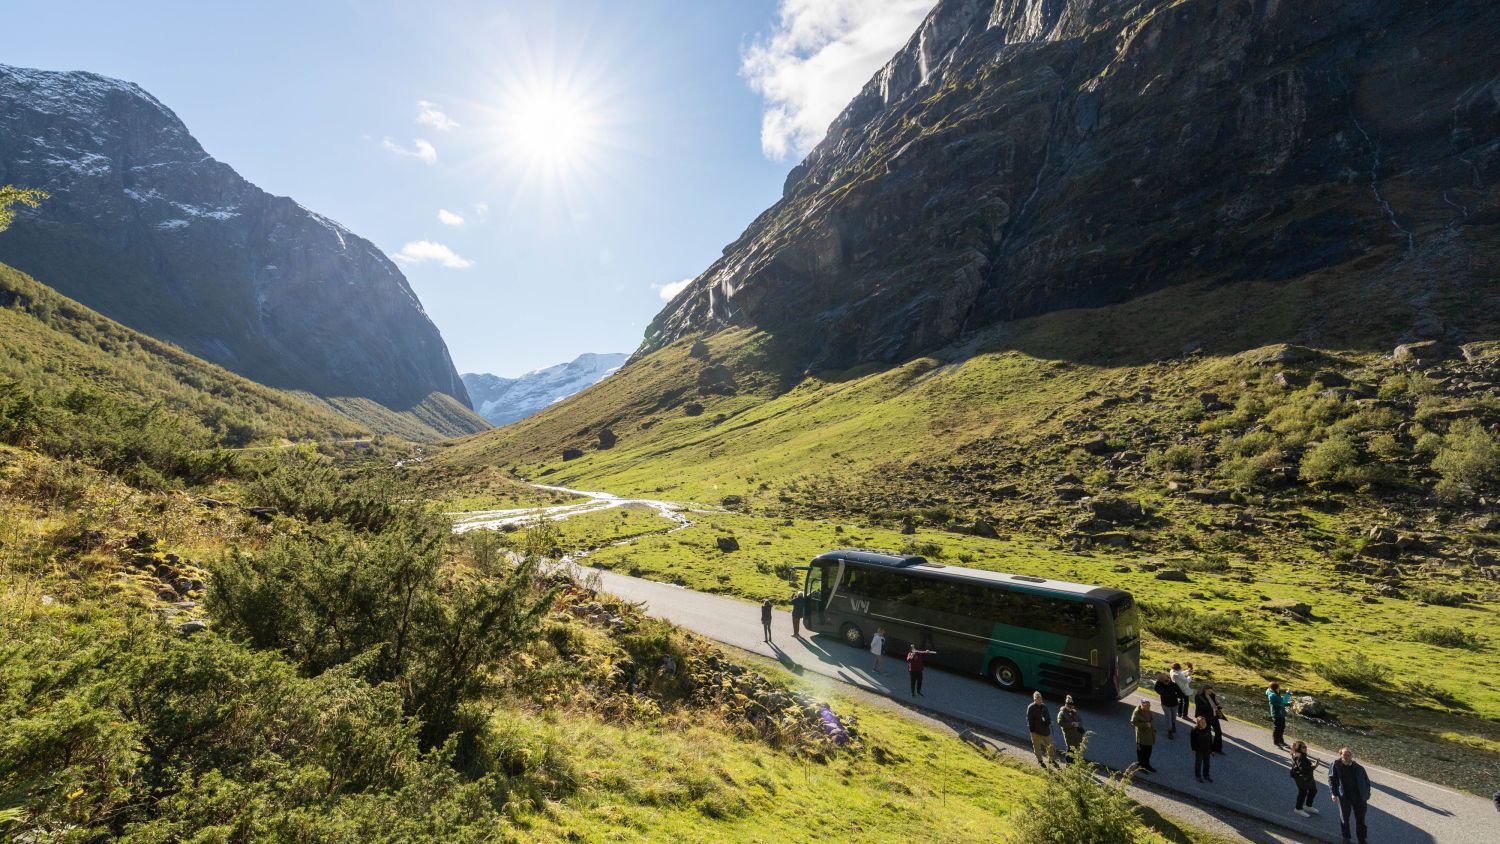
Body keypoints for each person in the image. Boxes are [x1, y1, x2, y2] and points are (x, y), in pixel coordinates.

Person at [1328, 747, 1371, 843]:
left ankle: (1362, 839)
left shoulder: (1359, 768)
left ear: (1351, 756)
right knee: (1344, 819)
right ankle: (1346, 838)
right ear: (1340, 755)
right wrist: (1333, 793)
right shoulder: (1335, 765)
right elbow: (1331, 780)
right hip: (1344, 797)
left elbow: (1367, 782)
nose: (1347, 757)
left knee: (1361, 820)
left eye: (1348, 755)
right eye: (1344, 755)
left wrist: (1367, 795)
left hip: (1359, 798)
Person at [1290, 740, 1321, 817]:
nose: (1306, 748)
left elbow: (1304, 768)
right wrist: (1313, 766)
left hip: (1307, 776)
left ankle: (1308, 806)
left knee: (1313, 790)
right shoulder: (1299, 756)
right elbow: (1302, 769)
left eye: (1306, 746)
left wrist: (1313, 766)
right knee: (1303, 792)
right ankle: (1298, 809)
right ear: (1299, 748)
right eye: (1304, 747)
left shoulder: (1301, 755)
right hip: (1301, 777)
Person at [1027, 691, 1057, 767]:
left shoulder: (1044, 707)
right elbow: (1029, 720)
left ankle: (1051, 759)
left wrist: (1050, 721)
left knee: (1050, 746)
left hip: (1046, 731)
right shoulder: (1031, 708)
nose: (1039, 700)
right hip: (1036, 732)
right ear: (1034, 699)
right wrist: (1032, 731)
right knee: (1037, 747)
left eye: (1040, 698)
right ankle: (1040, 760)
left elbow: (1048, 716)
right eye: (1037, 698)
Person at [1130, 698, 1158, 773]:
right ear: (1142, 705)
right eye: (1147, 705)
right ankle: (1141, 766)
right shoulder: (1137, 712)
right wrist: (1145, 725)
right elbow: (1134, 723)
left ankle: (1147, 765)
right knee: (1141, 752)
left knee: (1148, 751)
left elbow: (1151, 719)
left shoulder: (1148, 710)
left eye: (1149, 705)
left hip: (1149, 734)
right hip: (1142, 736)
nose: (1149, 707)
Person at [1195, 683, 1224, 753]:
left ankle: (1217, 749)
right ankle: (1209, 748)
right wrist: (1212, 707)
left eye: (1211, 690)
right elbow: (1200, 707)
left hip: (1214, 716)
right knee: (1208, 733)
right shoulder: (1198, 696)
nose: (1211, 692)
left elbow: (1216, 704)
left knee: (1219, 732)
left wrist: (1218, 705)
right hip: (1205, 717)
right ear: (1205, 690)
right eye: (1209, 690)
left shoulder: (1212, 695)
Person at [1154, 671, 1181, 739]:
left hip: (1174, 704)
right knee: (1168, 717)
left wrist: (1178, 696)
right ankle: (1170, 731)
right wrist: (1160, 682)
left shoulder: (1174, 685)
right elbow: (1161, 691)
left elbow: (1180, 692)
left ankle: (1173, 725)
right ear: (1161, 680)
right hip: (1165, 705)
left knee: (1173, 716)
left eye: (1168, 679)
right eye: (1165, 680)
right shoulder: (1159, 685)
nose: (1167, 681)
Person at [1058, 695, 1085, 762]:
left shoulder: (1074, 712)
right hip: (1069, 735)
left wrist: (1078, 724)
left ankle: (1073, 763)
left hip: (1077, 735)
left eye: (1071, 707)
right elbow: (1060, 723)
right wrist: (1071, 724)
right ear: (1066, 705)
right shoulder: (1062, 713)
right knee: (1070, 750)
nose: (1071, 708)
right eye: (1069, 706)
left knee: (1075, 749)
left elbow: (1081, 721)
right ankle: (1068, 764)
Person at [1267, 682, 1293, 749]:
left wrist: (1288, 694)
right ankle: (1276, 742)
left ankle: (1281, 741)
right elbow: (1283, 702)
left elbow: (1282, 702)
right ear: (1275, 688)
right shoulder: (1273, 696)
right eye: (1278, 687)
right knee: (1277, 728)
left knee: (1282, 727)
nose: (1279, 688)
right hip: (1277, 714)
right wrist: (1288, 696)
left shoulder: (1275, 694)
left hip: (1281, 714)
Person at [1190, 715, 1214, 783]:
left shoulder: (1208, 729)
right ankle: (1198, 776)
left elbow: (1210, 740)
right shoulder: (1194, 730)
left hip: (1207, 750)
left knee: (1207, 763)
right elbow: (1192, 741)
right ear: (1198, 723)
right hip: (1199, 750)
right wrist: (1193, 749)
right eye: (1201, 722)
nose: (1203, 723)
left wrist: (1212, 750)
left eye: (1204, 722)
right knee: (1199, 763)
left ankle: (1206, 775)